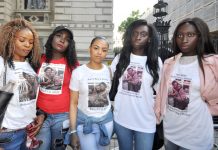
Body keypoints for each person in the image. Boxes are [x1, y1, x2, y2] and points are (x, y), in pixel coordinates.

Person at [155, 17, 218, 150]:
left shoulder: (212, 63)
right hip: (170, 131)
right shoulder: (169, 62)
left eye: (190, 35)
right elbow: (162, 93)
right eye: (179, 35)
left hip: (196, 135)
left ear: (200, 37)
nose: (184, 40)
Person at [110, 19, 163, 150]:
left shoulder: (155, 62)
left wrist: (159, 112)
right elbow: (108, 81)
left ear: (149, 38)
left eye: (143, 34)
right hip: (121, 118)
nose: (138, 37)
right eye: (135, 33)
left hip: (145, 121)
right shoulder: (120, 58)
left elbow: (162, 92)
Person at [0, 18, 44, 149]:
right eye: (22, 40)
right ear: (10, 39)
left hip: (27, 131)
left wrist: (40, 114)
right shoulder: (2, 63)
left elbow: (29, 97)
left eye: (31, 42)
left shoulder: (30, 65)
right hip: (8, 133)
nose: (27, 45)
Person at [36, 26, 79, 150]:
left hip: (62, 116)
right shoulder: (38, 60)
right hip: (41, 116)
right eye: (59, 36)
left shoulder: (73, 64)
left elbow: (78, 94)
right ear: (51, 38)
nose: (62, 40)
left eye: (66, 39)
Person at [69, 36, 113, 150]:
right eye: (96, 48)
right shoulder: (78, 72)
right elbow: (73, 103)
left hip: (106, 122)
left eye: (104, 50)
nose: (99, 53)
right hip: (85, 123)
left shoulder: (108, 71)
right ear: (90, 49)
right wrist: (73, 131)